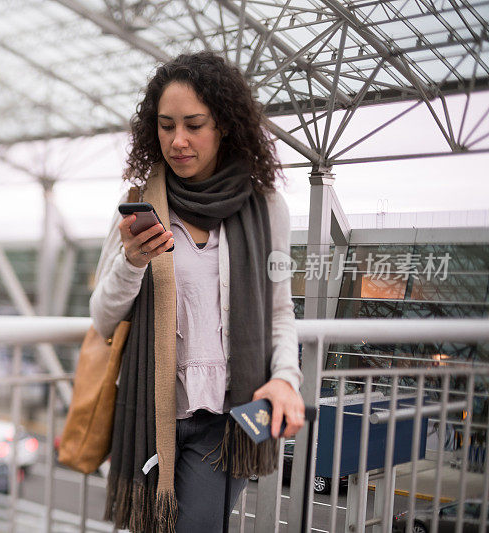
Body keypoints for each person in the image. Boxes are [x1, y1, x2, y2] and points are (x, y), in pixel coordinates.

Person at [90, 51, 305, 532]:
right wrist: (134, 259)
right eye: (166, 126)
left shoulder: (265, 206)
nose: (178, 141)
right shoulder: (141, 207)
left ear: (225, 125)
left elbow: (278, 311)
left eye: (194, 124)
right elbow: (103, 317)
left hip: (229, 418)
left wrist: (286, 378)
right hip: (150, 411)